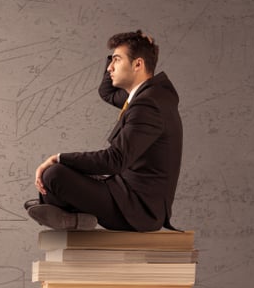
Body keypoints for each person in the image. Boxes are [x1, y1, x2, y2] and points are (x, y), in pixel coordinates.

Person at [27, 30, 183, 232]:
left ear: (138, 64)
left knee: (54, 174)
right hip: (125, 193)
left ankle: (63, 212)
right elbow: (107, 92)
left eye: (116, 60)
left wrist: (57, 157)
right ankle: (66, 213)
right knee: (55, 177)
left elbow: (115, 160)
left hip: (138, 209)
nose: (110, 67)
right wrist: (129, 51)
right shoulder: (148, 96)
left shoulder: (148, 105)